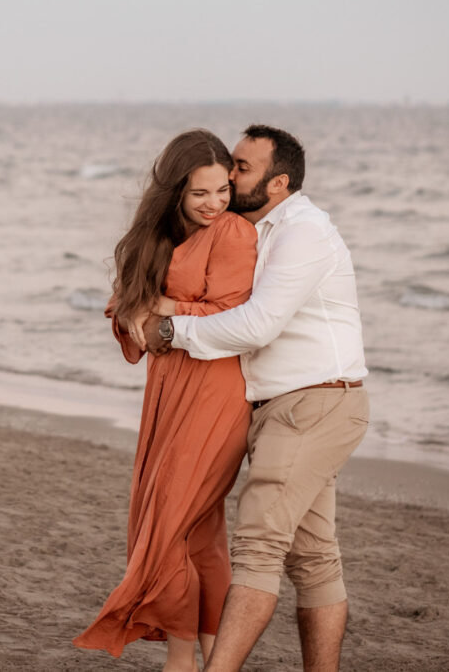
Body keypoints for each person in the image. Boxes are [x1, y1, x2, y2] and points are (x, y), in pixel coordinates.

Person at [141, 125, 369, 672]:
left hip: (314, 402)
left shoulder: (303, 232)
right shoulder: (248, 228)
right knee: (313, 559)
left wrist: (172, 331)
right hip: (283, 408)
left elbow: (258, 324)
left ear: (278, 182)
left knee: (258, 548)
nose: (228, 173)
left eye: (242, 168)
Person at [73, 129, 258, 672]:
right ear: (175, 190)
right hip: (168, 389)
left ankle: (181, 660)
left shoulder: (234, 235)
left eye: (223, 189)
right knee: (197, 532)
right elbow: (125, 307)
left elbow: (233, 317)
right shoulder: (156, 234)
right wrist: (140, 313)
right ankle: (213, 657)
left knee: (172, 525)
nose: (215, 203)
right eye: (201, 193)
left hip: (217, 390)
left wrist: (165, 306)